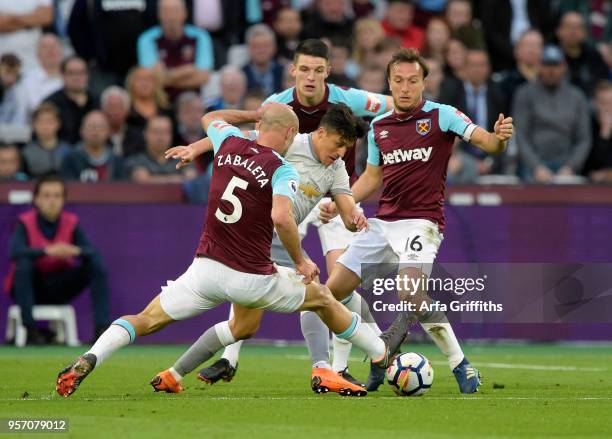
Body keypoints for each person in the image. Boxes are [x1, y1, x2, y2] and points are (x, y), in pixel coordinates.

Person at [55, 103, 405, 398]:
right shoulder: (282, 166)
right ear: (291, 135)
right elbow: (282, 216)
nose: (342, 153)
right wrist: (302, 259)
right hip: (252, 271)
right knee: (322, 298)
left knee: (155, 320)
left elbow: (210, 118)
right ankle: (377, 354)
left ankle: (96, 359)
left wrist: (249, 116)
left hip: (206, 270)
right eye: (341, 144)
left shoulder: (230, 143)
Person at [193, 39, 394, 390]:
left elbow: (396, 106)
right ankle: (230, 358)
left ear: (328, 71)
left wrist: (392, 139)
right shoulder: (277, 105)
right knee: (255, 267)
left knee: (339, 281)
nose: (311, 77)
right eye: (304, 69)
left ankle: (340, 365)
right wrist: (198, 145)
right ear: (293, 71)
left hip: (337, 192)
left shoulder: (350, 99)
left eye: (318, 70)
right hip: (287, 197)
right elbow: (247, 136)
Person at [321, 48, 513, 393]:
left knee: (409, 293)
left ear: (424, 82)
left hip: (421, 223)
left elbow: (487, 143)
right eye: (398, 81)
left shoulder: (443, 116)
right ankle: (373, 355)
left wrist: (498, 139)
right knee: (329, 294)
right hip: (383, 224)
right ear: (389, 83)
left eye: (412, 80)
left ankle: (461, 365)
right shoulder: (379, 127)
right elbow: (372, 177)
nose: (405, 87)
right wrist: (341, 202)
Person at [162, 103, 377, 394]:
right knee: (314, 293)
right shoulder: (290, 142)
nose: (340, 153)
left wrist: (353, 218)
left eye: (347, 148)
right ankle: (335, 366)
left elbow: (347, 207)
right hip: (260, 234)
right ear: (322, 132)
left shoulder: (336, 169)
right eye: (339, 144)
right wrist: (195, 149)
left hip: (275, 241)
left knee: (243, 326)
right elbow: (238, 138)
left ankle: (176, 373)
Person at [4, 175, 110, 344]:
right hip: (30, 287)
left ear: (63, 200)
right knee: (23, 264)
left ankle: (102, 331)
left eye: (57, 196)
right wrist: (47, 251)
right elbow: (15, 251)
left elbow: (90, 251)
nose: (51, 201)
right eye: (46, 196)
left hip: (59, 287)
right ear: (36, 199)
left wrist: (74, 250)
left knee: (95, 264)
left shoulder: (71, 222)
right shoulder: (25, 222)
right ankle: (30, 331)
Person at [513, 45, 591, 183]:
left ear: (564, 67)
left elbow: (584, 139)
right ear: (539, 66)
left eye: (555, 65)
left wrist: (571, 167)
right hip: (534, 165)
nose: (551, 71)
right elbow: (521, 135)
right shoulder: (524, 93)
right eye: (547, 65)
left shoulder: (577, 96)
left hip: (567, 165)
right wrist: (536, 167)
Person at [137, 0, 213, 102]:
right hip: (160, 102)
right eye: (166, 11)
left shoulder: (201, 36)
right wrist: (188, 70)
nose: (171, 16)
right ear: (159, 14)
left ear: (185, 13)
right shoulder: (146, 39)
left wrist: (166, 76)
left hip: (193, 102)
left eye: (175, 11)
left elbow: (203, 77)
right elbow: (152, 78)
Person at [126, 115, 197, 183]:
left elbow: (191, 180)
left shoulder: (183, 159)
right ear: (145, 134)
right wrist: (178, 178)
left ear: (171, 134)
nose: (160, 137)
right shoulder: (136, 160)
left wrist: (152, 179)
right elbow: (143, 181)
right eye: (155, 131)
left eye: (165, 132)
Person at [44, 57, 98, 144]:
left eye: (81, 73)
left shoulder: (96, 102)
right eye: (71, 73)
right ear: (62, 75)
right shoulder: (51, 103)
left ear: (88, 75)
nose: (76, 77)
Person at [60, 111, 126, 182]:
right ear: (82, 131)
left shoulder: (116, 160)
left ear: (108, 132)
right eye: (91, 127)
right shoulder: (70, 160)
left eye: (100, 127)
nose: (95, 131)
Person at [22, 103, 71, 177]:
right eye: (40, 121)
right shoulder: (25, 152)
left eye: (49, 121)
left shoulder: (69, 150)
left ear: (58, 124)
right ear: (33, 125)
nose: (45, 126)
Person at [242, 24, 284, 96]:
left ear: (274, 48)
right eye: (256, 46)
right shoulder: (241, 74)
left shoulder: (284, 72)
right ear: (248, 48)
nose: (261, 50)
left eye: (265, 46)